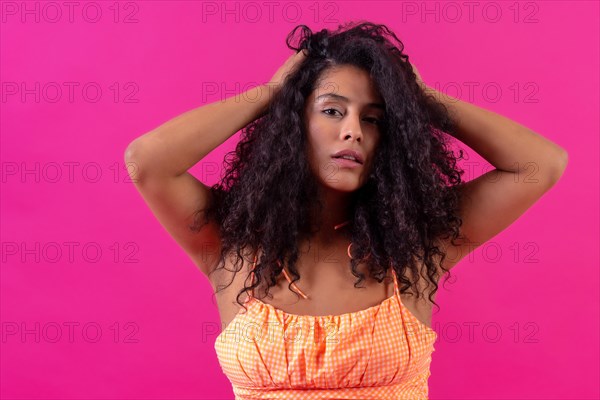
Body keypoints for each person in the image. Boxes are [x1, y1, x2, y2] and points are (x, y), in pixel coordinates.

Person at [124, 21, 568, 399]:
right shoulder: (232, 244)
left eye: (372, 118)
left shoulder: (414, 248)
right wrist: (274, 92)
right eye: (332, 111)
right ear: (295, 124)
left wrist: (418, 96)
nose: (352, 131)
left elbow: (539, 166)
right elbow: (148, 162)